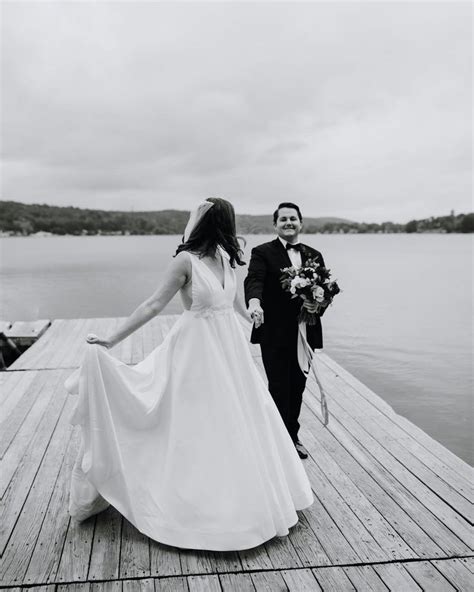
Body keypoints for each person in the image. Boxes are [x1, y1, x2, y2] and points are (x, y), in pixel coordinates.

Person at [65, 197, 313, 552]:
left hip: (230, 354)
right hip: (195, 353)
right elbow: (153, 304)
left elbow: (233, 303)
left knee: (237, 421)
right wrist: (111, 338)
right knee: (194, 423)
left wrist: (253, 316)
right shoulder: (185, 261)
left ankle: (245, 498)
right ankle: (191, 503)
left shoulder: (228, 258)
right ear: (223, 223)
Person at [244, 202, 325, 459]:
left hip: (305, 333)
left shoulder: (315, 255)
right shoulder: (262, 252)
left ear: (301, 223)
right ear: (275, 224)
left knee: (298, 387)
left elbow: (324, 293)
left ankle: (291, 434)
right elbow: (254, 280)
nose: (288, 223)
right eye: (283, 219)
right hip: (275, 333)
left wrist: (317, 304)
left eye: (293, 218)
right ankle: (282, 440)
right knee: (279, 387)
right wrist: (254, 302)